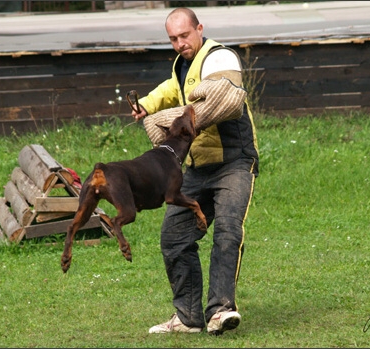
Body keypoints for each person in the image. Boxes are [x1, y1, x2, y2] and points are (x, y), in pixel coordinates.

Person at [131, 7, 259, 335]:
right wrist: (148, 104)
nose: (179, 43)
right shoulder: (182, 65)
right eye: (173, 38)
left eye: (184, 35)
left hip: (234, 163)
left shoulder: (219, 57)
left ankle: (221, 310)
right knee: (174, 237)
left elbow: (221, 98)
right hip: (197, 169)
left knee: (228, 231)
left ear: (199, 28)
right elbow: (174, 89)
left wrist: (168, 119)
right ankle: (188, 318)